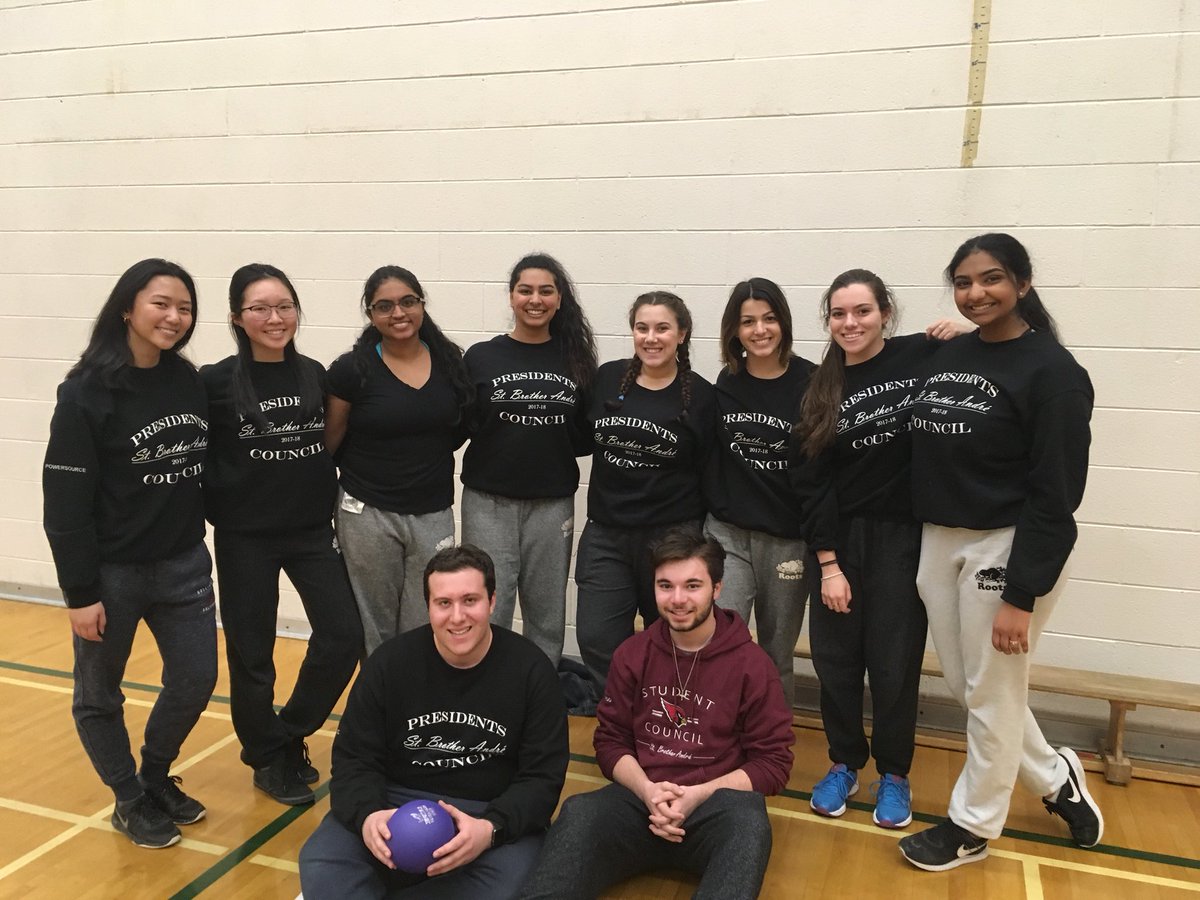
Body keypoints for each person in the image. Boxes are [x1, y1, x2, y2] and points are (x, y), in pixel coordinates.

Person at [899, 233, 1103, 870]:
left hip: (1007, 544)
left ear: (1023, 282)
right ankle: (1054, 777)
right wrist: (939, 338)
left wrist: (1021, 592)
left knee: (989, 691)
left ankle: (972, 825)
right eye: (963, 283)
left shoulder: (1055, 375)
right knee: (971, 686)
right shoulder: (949, 355)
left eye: (990, 279)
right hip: (941, 537)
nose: (975, 293)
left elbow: (1056, 494)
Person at [42, 258, 216, 849]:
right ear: (127, 308)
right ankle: (128, 799)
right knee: (98, 695)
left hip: (184, 563)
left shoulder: (187, 380)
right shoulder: (86, 391)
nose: (174, 316)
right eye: (161, 303)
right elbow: (64, 503)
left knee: (195, 680)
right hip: (111, 575)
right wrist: (80, 593)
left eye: (185, 308)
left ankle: (151, 776)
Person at [521, 528, 795, 899]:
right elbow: (610, 741)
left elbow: (773, 763)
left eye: (692, 586)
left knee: (749, 828)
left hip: (714, 805)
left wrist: (697, 794)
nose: (678, 599)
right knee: (579, 813)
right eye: (665, 586)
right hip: (641, 800)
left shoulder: (753, 666)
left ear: (717, 588)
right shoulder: (633, 654)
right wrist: (648, 791)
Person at [792, 270, 965, 829]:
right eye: (839, 314)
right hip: (840, 542)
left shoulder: (920, 355)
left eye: (862, 311)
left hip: (903, 539)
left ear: (885, 312)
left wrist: (965, 327)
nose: (851, 323)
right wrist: (828, 564)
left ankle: (894, 774)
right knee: (837, 663)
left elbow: (1003, 346)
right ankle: (844, 762)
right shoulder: (821, 383)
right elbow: (812, 484)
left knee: (894, 667)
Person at [298, 544, 569, 899]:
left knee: (516, 886)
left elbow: (542, 778)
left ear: (492, 601)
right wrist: (368, 817)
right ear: (428, 606)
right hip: (393, 804)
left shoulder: (532, 671)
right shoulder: (389, 665)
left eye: (470, 600)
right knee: (321, 861)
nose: (457, 617)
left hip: (486, 812)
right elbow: (354, 759)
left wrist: (491, 829)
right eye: (444, 603)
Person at [201, 263, 362, 807]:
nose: (275, 318)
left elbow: (330, 442)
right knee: (253, 654)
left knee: (344, 635)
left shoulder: (314, 373)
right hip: (245, 537)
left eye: (284, 306)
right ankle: (267, 758)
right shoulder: (214, 382)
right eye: (260, 308)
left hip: (311, 531)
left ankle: (287, 733)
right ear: (236, 318)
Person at [325, 266, 472, 655]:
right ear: (371, 314)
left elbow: (454, 430)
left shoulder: (449, 361)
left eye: (408, 301)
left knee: (427, 616)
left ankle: (417, 702)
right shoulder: (351, 369)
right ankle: (381, 706)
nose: (398, 313)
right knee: (375, 622)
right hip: (367, 513)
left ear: (422, 304)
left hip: (433, 510)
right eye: (384, 306)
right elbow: (331, 442)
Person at [575, 291, 717, 691]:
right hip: (606, 534)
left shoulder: (702, 396)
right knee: (596, 635)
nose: (651, 338)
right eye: (642, 328)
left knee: (672, 641)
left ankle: (666, 720)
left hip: (672, 539)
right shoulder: (607, 378)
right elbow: (579, 436)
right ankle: (623, 711)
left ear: (682, 334)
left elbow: (710, 469)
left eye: (662, 328)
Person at [460, 253, 598, 664]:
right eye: (525, 290)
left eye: (545, 291)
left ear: (559, 299)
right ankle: (486, 692)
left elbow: (582, 435)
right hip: (489, 502)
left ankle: (540, 694)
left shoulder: (575, 360)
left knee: (547, 613)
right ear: (511, 297)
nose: (534, 299)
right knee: (491, 605)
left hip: (551, 504)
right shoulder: (482, 357)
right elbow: (465, 422)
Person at [702, 277, 817, 708]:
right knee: (720, 641)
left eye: (769, 319)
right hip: (728, 535)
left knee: (775, 651)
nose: (760, 330)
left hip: (788, 539)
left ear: (783, 323)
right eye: (748, 321)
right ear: (734, 329)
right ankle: (716, 734)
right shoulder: (726, 381)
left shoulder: (813, 381)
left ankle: (773, 744)